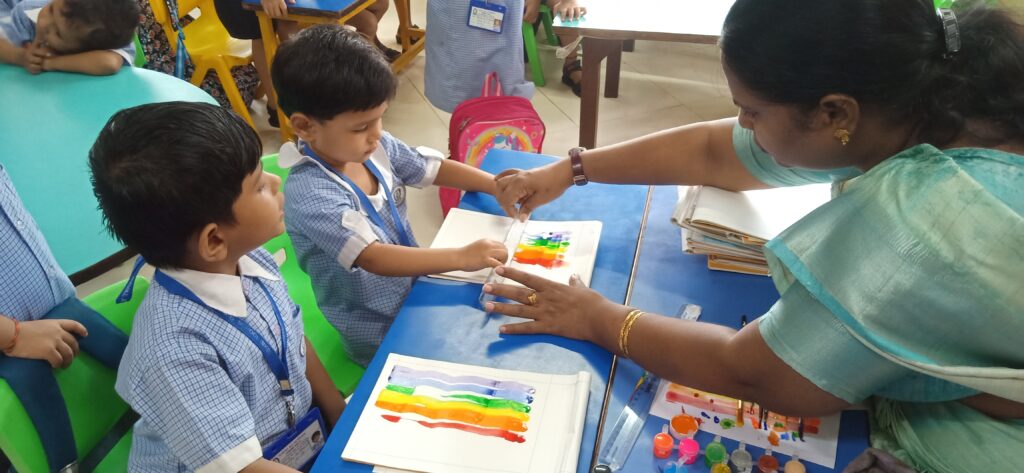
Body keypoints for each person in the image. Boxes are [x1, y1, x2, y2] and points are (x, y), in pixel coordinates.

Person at [485, 1, 1024, 472]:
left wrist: (598, 317)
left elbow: (759, 375)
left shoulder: (927, 219)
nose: (742, 123)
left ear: (835, 113)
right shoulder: (930, 93)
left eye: (752, 111)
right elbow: (714, 153)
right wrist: (571, 169)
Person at [89, 102, 346, 472]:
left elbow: (292, 340)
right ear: (213, 241)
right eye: (259, 185)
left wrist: (343, 421)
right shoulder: (175, 349)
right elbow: (242, 467)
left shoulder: (250, 258)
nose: (276, 182)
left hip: (289, 444)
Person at [272, 25, 508, 366]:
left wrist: (495, 185)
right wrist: (461, 257)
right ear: (305, 126)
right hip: (377, 329)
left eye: (379, 119)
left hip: (417, 293)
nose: (376, 134)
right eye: (361, 127)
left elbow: (431, 168)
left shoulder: (372, 147)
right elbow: (374, 258)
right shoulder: (311, 193)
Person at [424, 0, 534, 112]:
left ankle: (496, 116)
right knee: (455, 85)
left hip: (503, 10)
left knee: (503, 90)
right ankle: (464, 117)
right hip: (453, 11)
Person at [0, 0, 138, 75]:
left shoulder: (107, 34)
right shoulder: (27, 12)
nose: (43, 22)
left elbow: (109, 63)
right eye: (51, 10)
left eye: (57, 33)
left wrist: (48, 63)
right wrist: (20, 57)